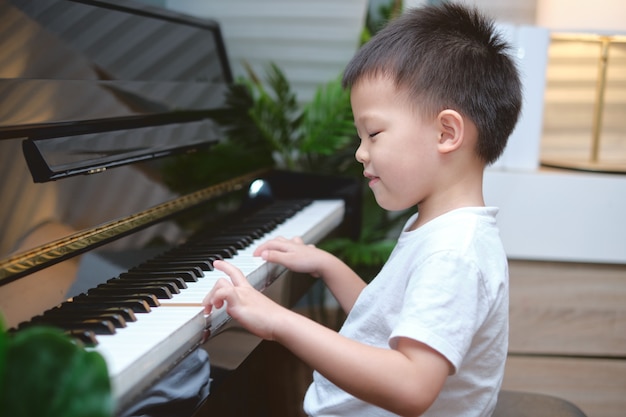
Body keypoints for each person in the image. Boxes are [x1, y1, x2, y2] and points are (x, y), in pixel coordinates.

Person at [203, 2, 522, 416]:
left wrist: (278, 321)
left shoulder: (453, 254)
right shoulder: (440, 228)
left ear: (447, 132)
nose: (360, 153)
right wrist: (327, 265)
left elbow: (412, 385)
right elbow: (385, 323)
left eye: (372, 133)